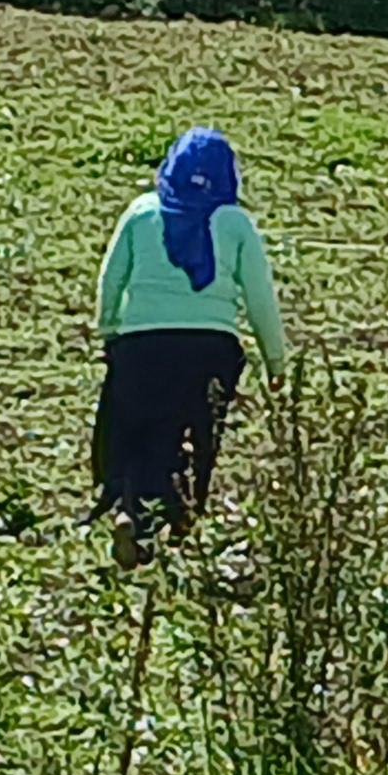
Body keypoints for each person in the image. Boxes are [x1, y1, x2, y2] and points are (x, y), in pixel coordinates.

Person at [93, 125, 290, 556]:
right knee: (197, 433)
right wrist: (275, 360)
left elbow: (112, 277)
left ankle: (130, 510)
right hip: (211, 348)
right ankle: (182, 519)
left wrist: (108, 330)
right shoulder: (235, 223)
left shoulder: (141, 212)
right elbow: (260, 296)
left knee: (135, 429)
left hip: (141, 345)